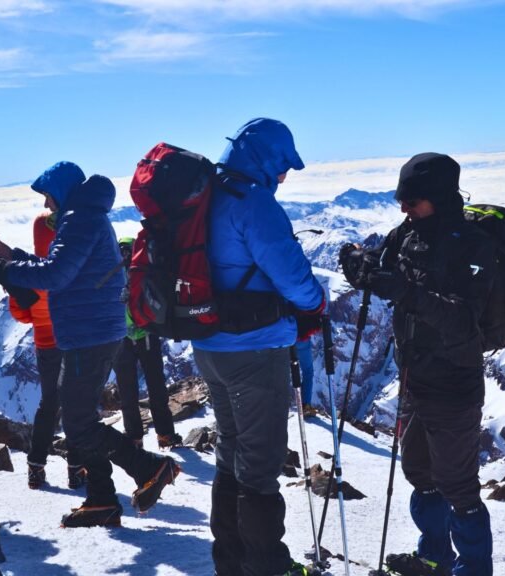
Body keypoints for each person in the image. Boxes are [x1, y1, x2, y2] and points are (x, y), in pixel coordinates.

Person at [0, 161, 180, 528]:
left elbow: (57, 275)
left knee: (78, 423)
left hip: (88, 333)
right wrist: (18, 259)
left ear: (60, 191)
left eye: (47, 195)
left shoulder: (78, 218)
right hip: (92, 329)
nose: (46, 204)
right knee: (80, 419)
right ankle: (102, 499)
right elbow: (65, 266)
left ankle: (150, 467)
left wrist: (7, 272)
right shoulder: (85, 216)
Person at [340, 153, 496, 576]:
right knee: (420, 473)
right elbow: (380, 267)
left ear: (440, 198)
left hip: (453, 382)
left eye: (413, 200)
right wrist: (356, 261)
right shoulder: (406, 234)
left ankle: (473, 570)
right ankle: (434, 558)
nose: (403, 207)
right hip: (415, 377)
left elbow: (464, 320)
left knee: (459, 487)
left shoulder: (473, 246)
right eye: (401, 198)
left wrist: (404, 291)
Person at [192, 118, 325, 576]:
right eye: (283, 166)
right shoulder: (253, 203)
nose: (285, 177)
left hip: (207, 344)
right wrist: (315, 304)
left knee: (231, 451)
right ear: (266, 160)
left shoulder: (207, 194)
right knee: (261, 463)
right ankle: (268, 567)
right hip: (253, 347)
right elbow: (292, 277)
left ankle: (229, 561)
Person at [7, 211, 86, 490]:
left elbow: (20, 312)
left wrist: (39, 317)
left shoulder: (30, 273)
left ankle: (35, 467)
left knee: (48, 403)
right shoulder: (69, 267)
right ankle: (77, 469)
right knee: (75, 404)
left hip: (45, 344)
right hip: (73, 341)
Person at [114, 237, 182, 449]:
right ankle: (165, 434)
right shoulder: (143, 270)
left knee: (127, 391)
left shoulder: (111, 273)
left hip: (121, 336)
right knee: (156, 386)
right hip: (148, 332)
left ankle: (134, 438)